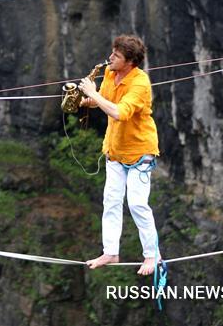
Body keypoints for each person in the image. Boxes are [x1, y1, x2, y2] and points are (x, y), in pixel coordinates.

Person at [79, 35, 161, 276]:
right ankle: (111, 252)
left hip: (139, 152)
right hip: (114, 151)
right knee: (111, 202)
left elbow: (119, 113)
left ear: (130, 61)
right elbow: (104, 100)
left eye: (117, 55)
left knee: (137, 204)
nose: (111, 57)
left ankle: (152, 254)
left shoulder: (140, 83)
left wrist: (92, 95)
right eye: (112, 52)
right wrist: (86, 100)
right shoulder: (111, 75)